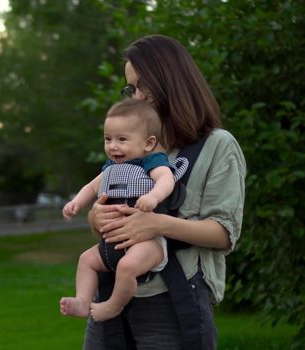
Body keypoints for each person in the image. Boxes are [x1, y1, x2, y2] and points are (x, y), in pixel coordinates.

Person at [82, 34, 246, 350]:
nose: (137, 98)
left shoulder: (217, 146)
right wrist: (96, 218)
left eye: (144, 87)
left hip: (173, 303)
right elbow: (107, 214)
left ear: (171, 82)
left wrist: (158, 225)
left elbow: (225, 233)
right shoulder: (132, 146)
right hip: (112, 296)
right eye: (131, 89)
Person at [60, 98, 174, 322]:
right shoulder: (112, 167)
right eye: (108, 139)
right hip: (111, 241)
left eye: (122, 139)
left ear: (148, 143)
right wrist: (76, 203)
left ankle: (114, 305)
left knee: (127, 267)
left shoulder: (151, 162)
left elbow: (166, 180)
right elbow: (92, 187)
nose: (113, 146)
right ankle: (83, 301)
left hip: (147, 243)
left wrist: (153, 197)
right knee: (86, 260)